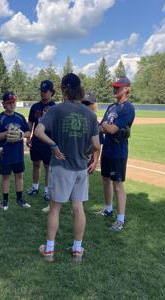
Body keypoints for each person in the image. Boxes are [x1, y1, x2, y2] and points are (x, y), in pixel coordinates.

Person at [35, 73, 100, 263]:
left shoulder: (56, 110)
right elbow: (96, 145)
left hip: (61, 165)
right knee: (78, 208)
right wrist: (86, 153)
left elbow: (38, 132)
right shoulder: (90, 114)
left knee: (55, 208)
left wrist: (53, 145)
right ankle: (77, 250)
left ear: (63, 89)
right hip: (80, 167)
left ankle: (49, 251)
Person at [95, 76, 135, 232]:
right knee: (105, 180)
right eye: (114, 86)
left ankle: (120, 219)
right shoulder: (111, 107)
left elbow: (110, 129)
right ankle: (108, 209)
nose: (114, 89)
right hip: (108, 149)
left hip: (119, 151)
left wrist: (106, 126)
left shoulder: (128, 108)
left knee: (117, 184)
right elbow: (100, 128)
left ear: (126, 89)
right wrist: (106, 126)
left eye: (118, 86)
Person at [0, 92, 31, 210]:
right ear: (3, 104)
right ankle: (5, 201)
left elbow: (28, 132)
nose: (11, 104)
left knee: (19, 175)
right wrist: (8, 133)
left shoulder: (19, 117)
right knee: (5, 176)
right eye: (9, 103)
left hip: (18, 153)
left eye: (13, 102)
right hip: (5, 153)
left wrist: (21, 134)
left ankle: (20, 199)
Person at [26, 80, 56, 205]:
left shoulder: (55, 107)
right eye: (42, 91)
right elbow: (31, 123)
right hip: (36, 141)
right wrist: (28, 137)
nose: (43, 93)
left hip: (48, 141)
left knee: (48, 166)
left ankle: (47, 190)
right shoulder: (35, 106)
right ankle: (35, 186)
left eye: (46, 91)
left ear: (51, 92)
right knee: (36, 164)